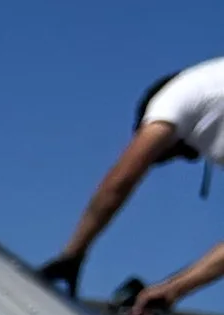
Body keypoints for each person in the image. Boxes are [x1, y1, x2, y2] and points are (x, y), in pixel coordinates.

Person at [39, 58, 224, 301]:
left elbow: (120, 181)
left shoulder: (175, 97)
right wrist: (175, 288)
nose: (180, 159)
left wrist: (72, 255)